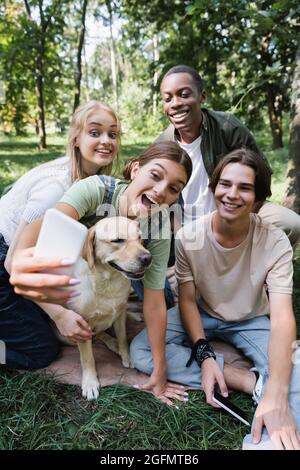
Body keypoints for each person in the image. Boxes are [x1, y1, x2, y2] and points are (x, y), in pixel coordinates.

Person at [130, 149, 300, 450]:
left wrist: (277, 392)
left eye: (244, 187)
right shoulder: (188, 237)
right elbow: (186, 300)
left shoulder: (275, 242)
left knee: (293, 364)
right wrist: (206, 356)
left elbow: (283, 318)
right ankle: (246, 381)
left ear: (258, 198)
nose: (232, 194)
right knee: (142, 351)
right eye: (225, 184)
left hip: (251, 318)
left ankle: (269, 440)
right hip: (202, 312)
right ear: (214, 188)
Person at [9, 141, 193, 406]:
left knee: (163, 297)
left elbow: (153, 303)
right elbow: (23, 259)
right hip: (12, 253)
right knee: (40, 348)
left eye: (174, 188)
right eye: (155, 175)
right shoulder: (93, 190)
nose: (161, 191)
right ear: (136, 169)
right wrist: (60, 314)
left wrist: (159, 369)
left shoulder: (160, 223)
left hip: (109, 267)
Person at [0, 100, 121, 369]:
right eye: (95, 132)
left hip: (25, 258)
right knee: (41, 349)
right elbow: (13, 264)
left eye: (112, 134)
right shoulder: (56, 189)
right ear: (76, 139)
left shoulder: (93, 184)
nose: (106, 141)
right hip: (4, 257)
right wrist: (59, 315)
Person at [157, 64, 300, 247]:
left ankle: (255, 265)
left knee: (290, 223)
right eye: (167, 99)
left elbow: (261, 178)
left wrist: (236, 220)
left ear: (202, 96)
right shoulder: (162, 145)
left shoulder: (227, 127)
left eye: (184, 94)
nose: (175, 103)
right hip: (184, 226)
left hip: (232, 213)